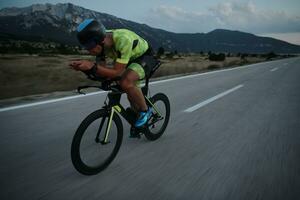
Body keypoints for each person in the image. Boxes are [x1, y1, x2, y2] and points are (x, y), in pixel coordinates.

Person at [69, 19, 154, 131]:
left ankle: (145, 110)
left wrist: (92, 66)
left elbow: (117, 72)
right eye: (85, 47)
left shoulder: (123, 40)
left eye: (90, 45)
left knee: (126, 82)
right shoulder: (101, 45)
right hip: (127, 59)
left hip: (144, 57)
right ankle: (137, 113)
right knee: (124, 86)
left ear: (100, 40)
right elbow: (102, 72)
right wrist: (85, 69)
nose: (89, 50)